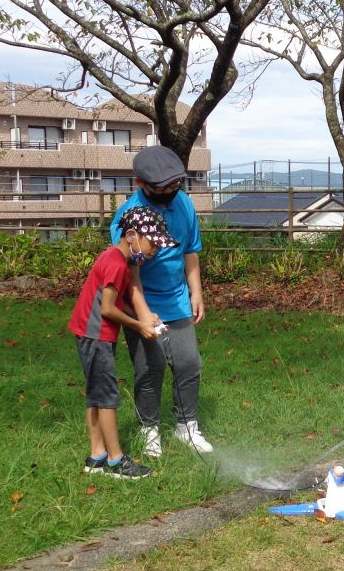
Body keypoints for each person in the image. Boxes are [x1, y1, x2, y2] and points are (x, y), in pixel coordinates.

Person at [109, 145, 212, 457]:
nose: (170, 191)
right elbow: (129, 275)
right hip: (140, 300)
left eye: (175, 184)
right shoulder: (128, 217)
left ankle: (186, 427)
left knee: (188, 362)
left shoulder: (184, 203)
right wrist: (143, 315)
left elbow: (190, 251)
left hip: (177, 299)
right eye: (162, 187)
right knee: (149, 367)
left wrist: (196, 292)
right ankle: (149, 429)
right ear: (140, 183)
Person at [68, 206, 179, 479]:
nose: (155, 250)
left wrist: (144, 317)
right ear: (131, 236)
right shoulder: (117, 263)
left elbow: (117, 302)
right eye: (153, 242)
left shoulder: (116, 259)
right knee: (107, 397)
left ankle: (97, 456)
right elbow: (107, 309)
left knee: (96, 395)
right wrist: (138, 325)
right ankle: (116, 461)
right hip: (96, 334)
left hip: (91, 333)